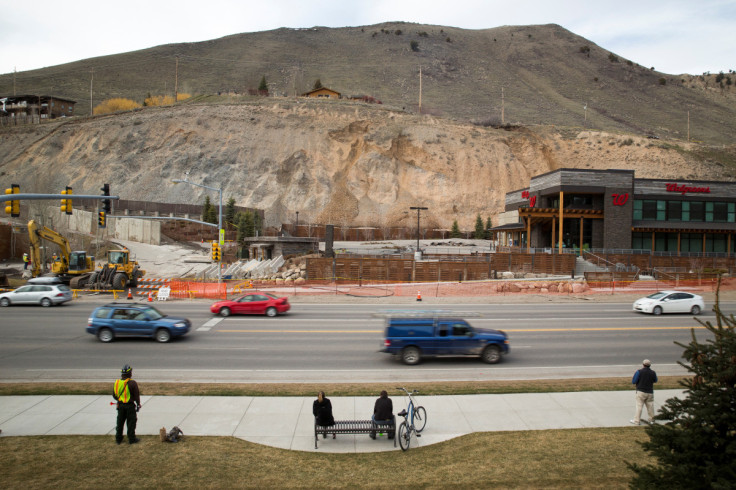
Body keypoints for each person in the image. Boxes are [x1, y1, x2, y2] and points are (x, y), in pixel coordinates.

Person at [113, 363, 141, 444]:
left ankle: (118, 439)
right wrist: (138, 404)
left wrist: (120, 400)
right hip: (129, 406)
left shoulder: (117, 383)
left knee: (120, 422)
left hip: (120, 406)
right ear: (129, 373)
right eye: (131, 372)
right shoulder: (132, 383)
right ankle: (131, 439)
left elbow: (114, 395)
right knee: (131, 423)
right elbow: (136, 396)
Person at [630, 359, 658, 425]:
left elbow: (634, 381)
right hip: (650, 392)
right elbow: (655, 380)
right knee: (650, 406)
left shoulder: (639, 372)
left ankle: (636, 420)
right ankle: (651, 420)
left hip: (641, 391)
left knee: (639, 406)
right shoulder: (653, 372)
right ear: (649, 365)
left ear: (643, 364)